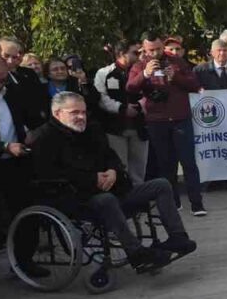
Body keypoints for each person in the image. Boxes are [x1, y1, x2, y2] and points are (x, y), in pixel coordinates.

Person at [33, 92, 197, 270]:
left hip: (113, 188)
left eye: (83, 112)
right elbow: (50, 173)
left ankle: (177, 237)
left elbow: (111, 156)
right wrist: (92, 178)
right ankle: (136, 253)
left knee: (161, 185)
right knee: (106, 200)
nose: (81, 117)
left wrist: (113, 171)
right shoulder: (45, 138)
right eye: (74, 112)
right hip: (78, 197)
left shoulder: (92, 129)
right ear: (58, 113)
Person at [0, 44, 42, 291]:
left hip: (16, 161)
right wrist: (3, 146)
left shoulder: (13, 92)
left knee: (26, 211)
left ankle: (25, 262)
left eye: (2, 80)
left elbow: (30, 118)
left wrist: (33, 133)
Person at [126, 31, 205, 216]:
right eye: (150, 50)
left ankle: (197, 204)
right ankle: (174, 203)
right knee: (165, 164)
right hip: (157, 120)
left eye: (158, 49)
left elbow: (194, 84)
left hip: (180, 118)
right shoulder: (140, 64)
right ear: (144, 49)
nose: (155, 53)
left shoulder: (177, 61)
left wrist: (175, 77)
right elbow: (130, 87)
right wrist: (145, 74)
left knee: (189, 162)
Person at [94, 41, 148, 185]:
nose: (139, 56)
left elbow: (152, 91)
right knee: (119, 167)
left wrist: (139, 106)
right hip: (115, 128)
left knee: (138, 168)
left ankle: (139, 201)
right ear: (122, 54)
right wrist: (122, 108)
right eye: (135, 53)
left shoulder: (144, 71)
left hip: (139, 127)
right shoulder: (104, 73)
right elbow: (101, 97)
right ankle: (124, 200)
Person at [0, 37, 47, 128]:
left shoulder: (28, 73)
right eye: (6, 55)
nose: (10, 61)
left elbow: (39, 98)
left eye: (14, 57)